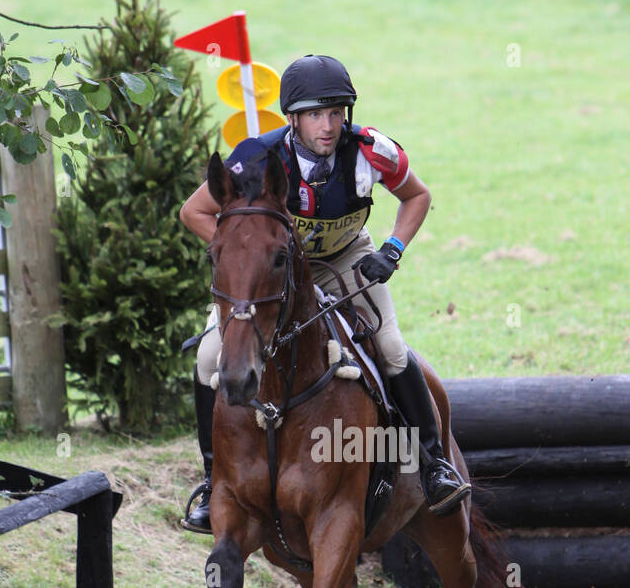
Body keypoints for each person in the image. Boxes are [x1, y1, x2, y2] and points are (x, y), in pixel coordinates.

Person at [178, 52, 471, 532]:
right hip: (274, 272)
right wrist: (241, 255)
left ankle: (434, 463)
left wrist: (393, 249)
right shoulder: (254, 159)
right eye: (316, 114)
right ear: (293, 119)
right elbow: (194, 212)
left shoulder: (373, 151)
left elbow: (418, 196)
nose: (329, 125)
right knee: (210, 356)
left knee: (393, 349)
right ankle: (213, 483)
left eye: (336, 113)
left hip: (345, 258)